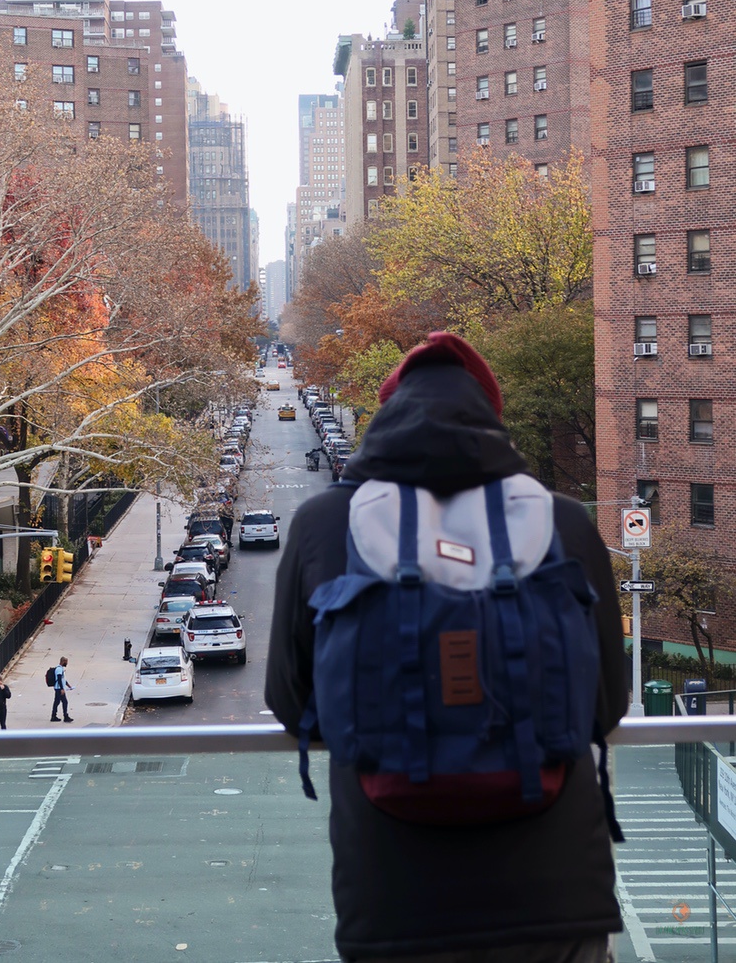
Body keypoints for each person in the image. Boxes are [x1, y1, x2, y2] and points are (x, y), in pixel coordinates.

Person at [266, 331, 628, 963]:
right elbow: (606, 704)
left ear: (385, 417)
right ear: (493, 419)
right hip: (557, 897)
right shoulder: (563, 521)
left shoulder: (325, 523)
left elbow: (291, 700)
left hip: (392, 898)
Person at [50, 656, 74, 723]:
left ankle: (53, 716)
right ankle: (65, 716)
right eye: (66, 662)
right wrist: (62, 689)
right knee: (64, 702)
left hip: (58, 688)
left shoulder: (61, 669)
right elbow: (59, 679)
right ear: (63, 662)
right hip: (58, 689)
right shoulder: (59, 669)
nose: (67, 664)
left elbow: (63, 679)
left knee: (57, 702)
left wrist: (68, 685)